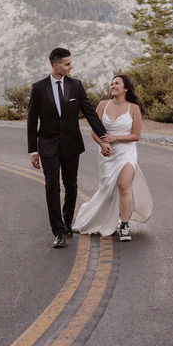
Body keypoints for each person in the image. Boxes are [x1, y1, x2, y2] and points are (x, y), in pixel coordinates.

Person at [27, 47, 109, 248]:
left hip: (71, 144)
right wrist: (33, 150)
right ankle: (58, 232)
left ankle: (67, 221)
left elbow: (90, 113)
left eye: (70, 63)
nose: (71, 67)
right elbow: (31, 120)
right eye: (67, 64)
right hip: (47, 145)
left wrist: (104, 136)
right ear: (56, 66)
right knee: (52, 186)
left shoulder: (76, 86)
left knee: (71, 185)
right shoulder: (39, 88)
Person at [72, 73, 153, 242]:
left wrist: (115, 138)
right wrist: (102, 145)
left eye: (117, 83)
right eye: (111, 83)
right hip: (107, 154)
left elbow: (136, 135)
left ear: (125, 88)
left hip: (126, 152)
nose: (113, 85)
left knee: (124, 186)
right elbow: (95, 130)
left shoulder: (133, 108)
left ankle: (124, 225)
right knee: (107, 190)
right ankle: (96, 217)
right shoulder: (103, 105)